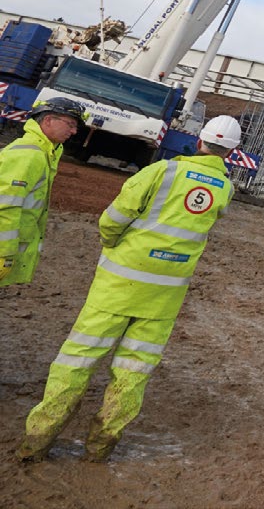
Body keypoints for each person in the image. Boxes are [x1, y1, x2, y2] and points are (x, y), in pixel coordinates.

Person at [17, 114, 241, 464]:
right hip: (164, 297)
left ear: (199, 141)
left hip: (118, 285)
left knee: (77, 360)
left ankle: (37, 441)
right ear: (232, 152)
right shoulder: (224, 189)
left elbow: (114, 218)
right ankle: (100, 447)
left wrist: (113, 244)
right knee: (134, 371)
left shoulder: (163, 172)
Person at [1, 97, 87, 287]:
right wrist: (4, 253)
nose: (73, 132)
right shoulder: (29, 155)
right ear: (48, 120)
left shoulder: (44, 153)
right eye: (70, 124)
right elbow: (5, 205)